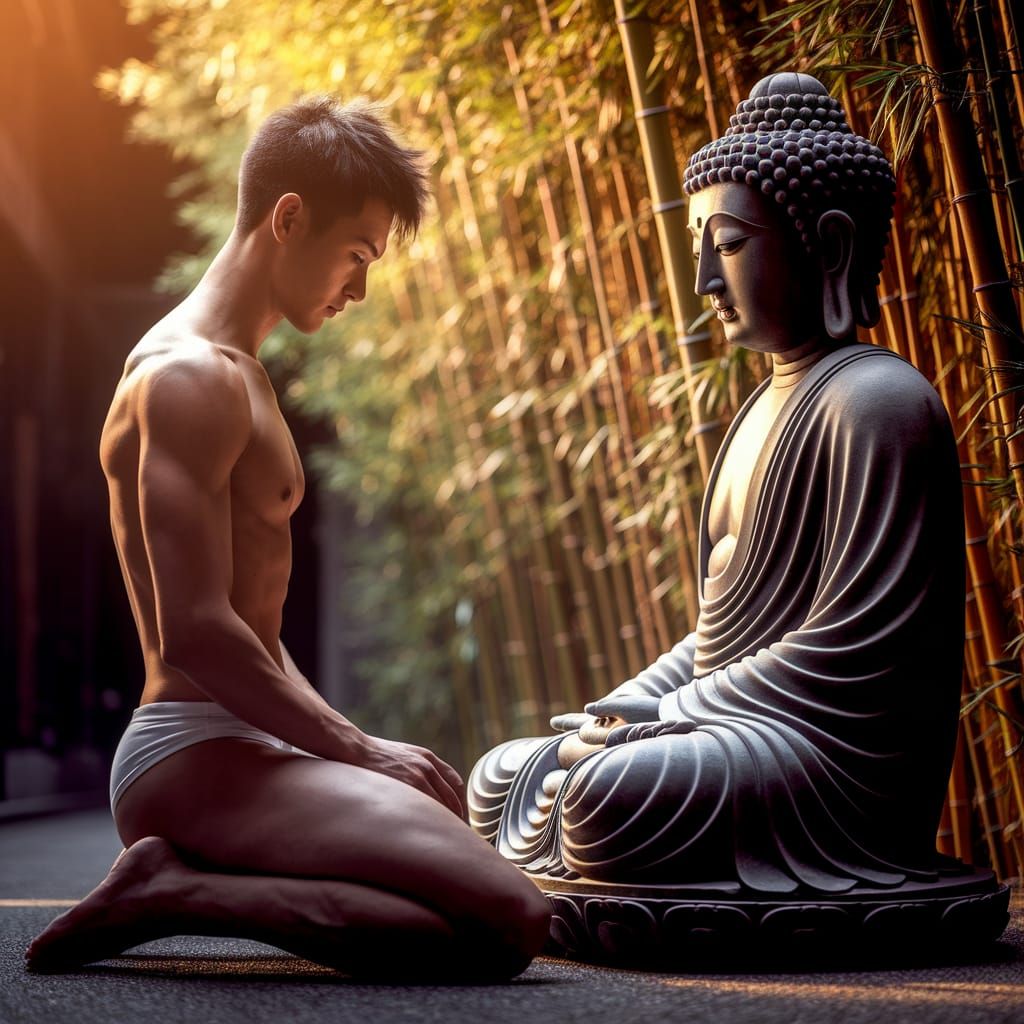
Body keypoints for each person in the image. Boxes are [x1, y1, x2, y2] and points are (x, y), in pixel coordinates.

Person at [26, 96, 550, 978]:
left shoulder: (244, 376)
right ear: (288, 216)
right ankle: (174, 891)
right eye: (357, 255)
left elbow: (256, 635)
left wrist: (339, 743)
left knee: (480, 901)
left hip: (250, 744)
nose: (360, 287)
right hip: (189, 750)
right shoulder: (188, 377)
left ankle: (185, 882)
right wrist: (359, 747)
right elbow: (195, 628)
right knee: (510, 919)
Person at [468, 73, 967, 894]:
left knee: (607, 799)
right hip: (733, 728)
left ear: (829, 246)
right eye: (700, 247)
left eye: (727, 245)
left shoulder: (880, 402)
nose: (703, 279)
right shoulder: (753, 414)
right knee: (502, 775)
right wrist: (626, 704)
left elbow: (856, 653)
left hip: (829, 769)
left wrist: (668, 719)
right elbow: (714, 643)